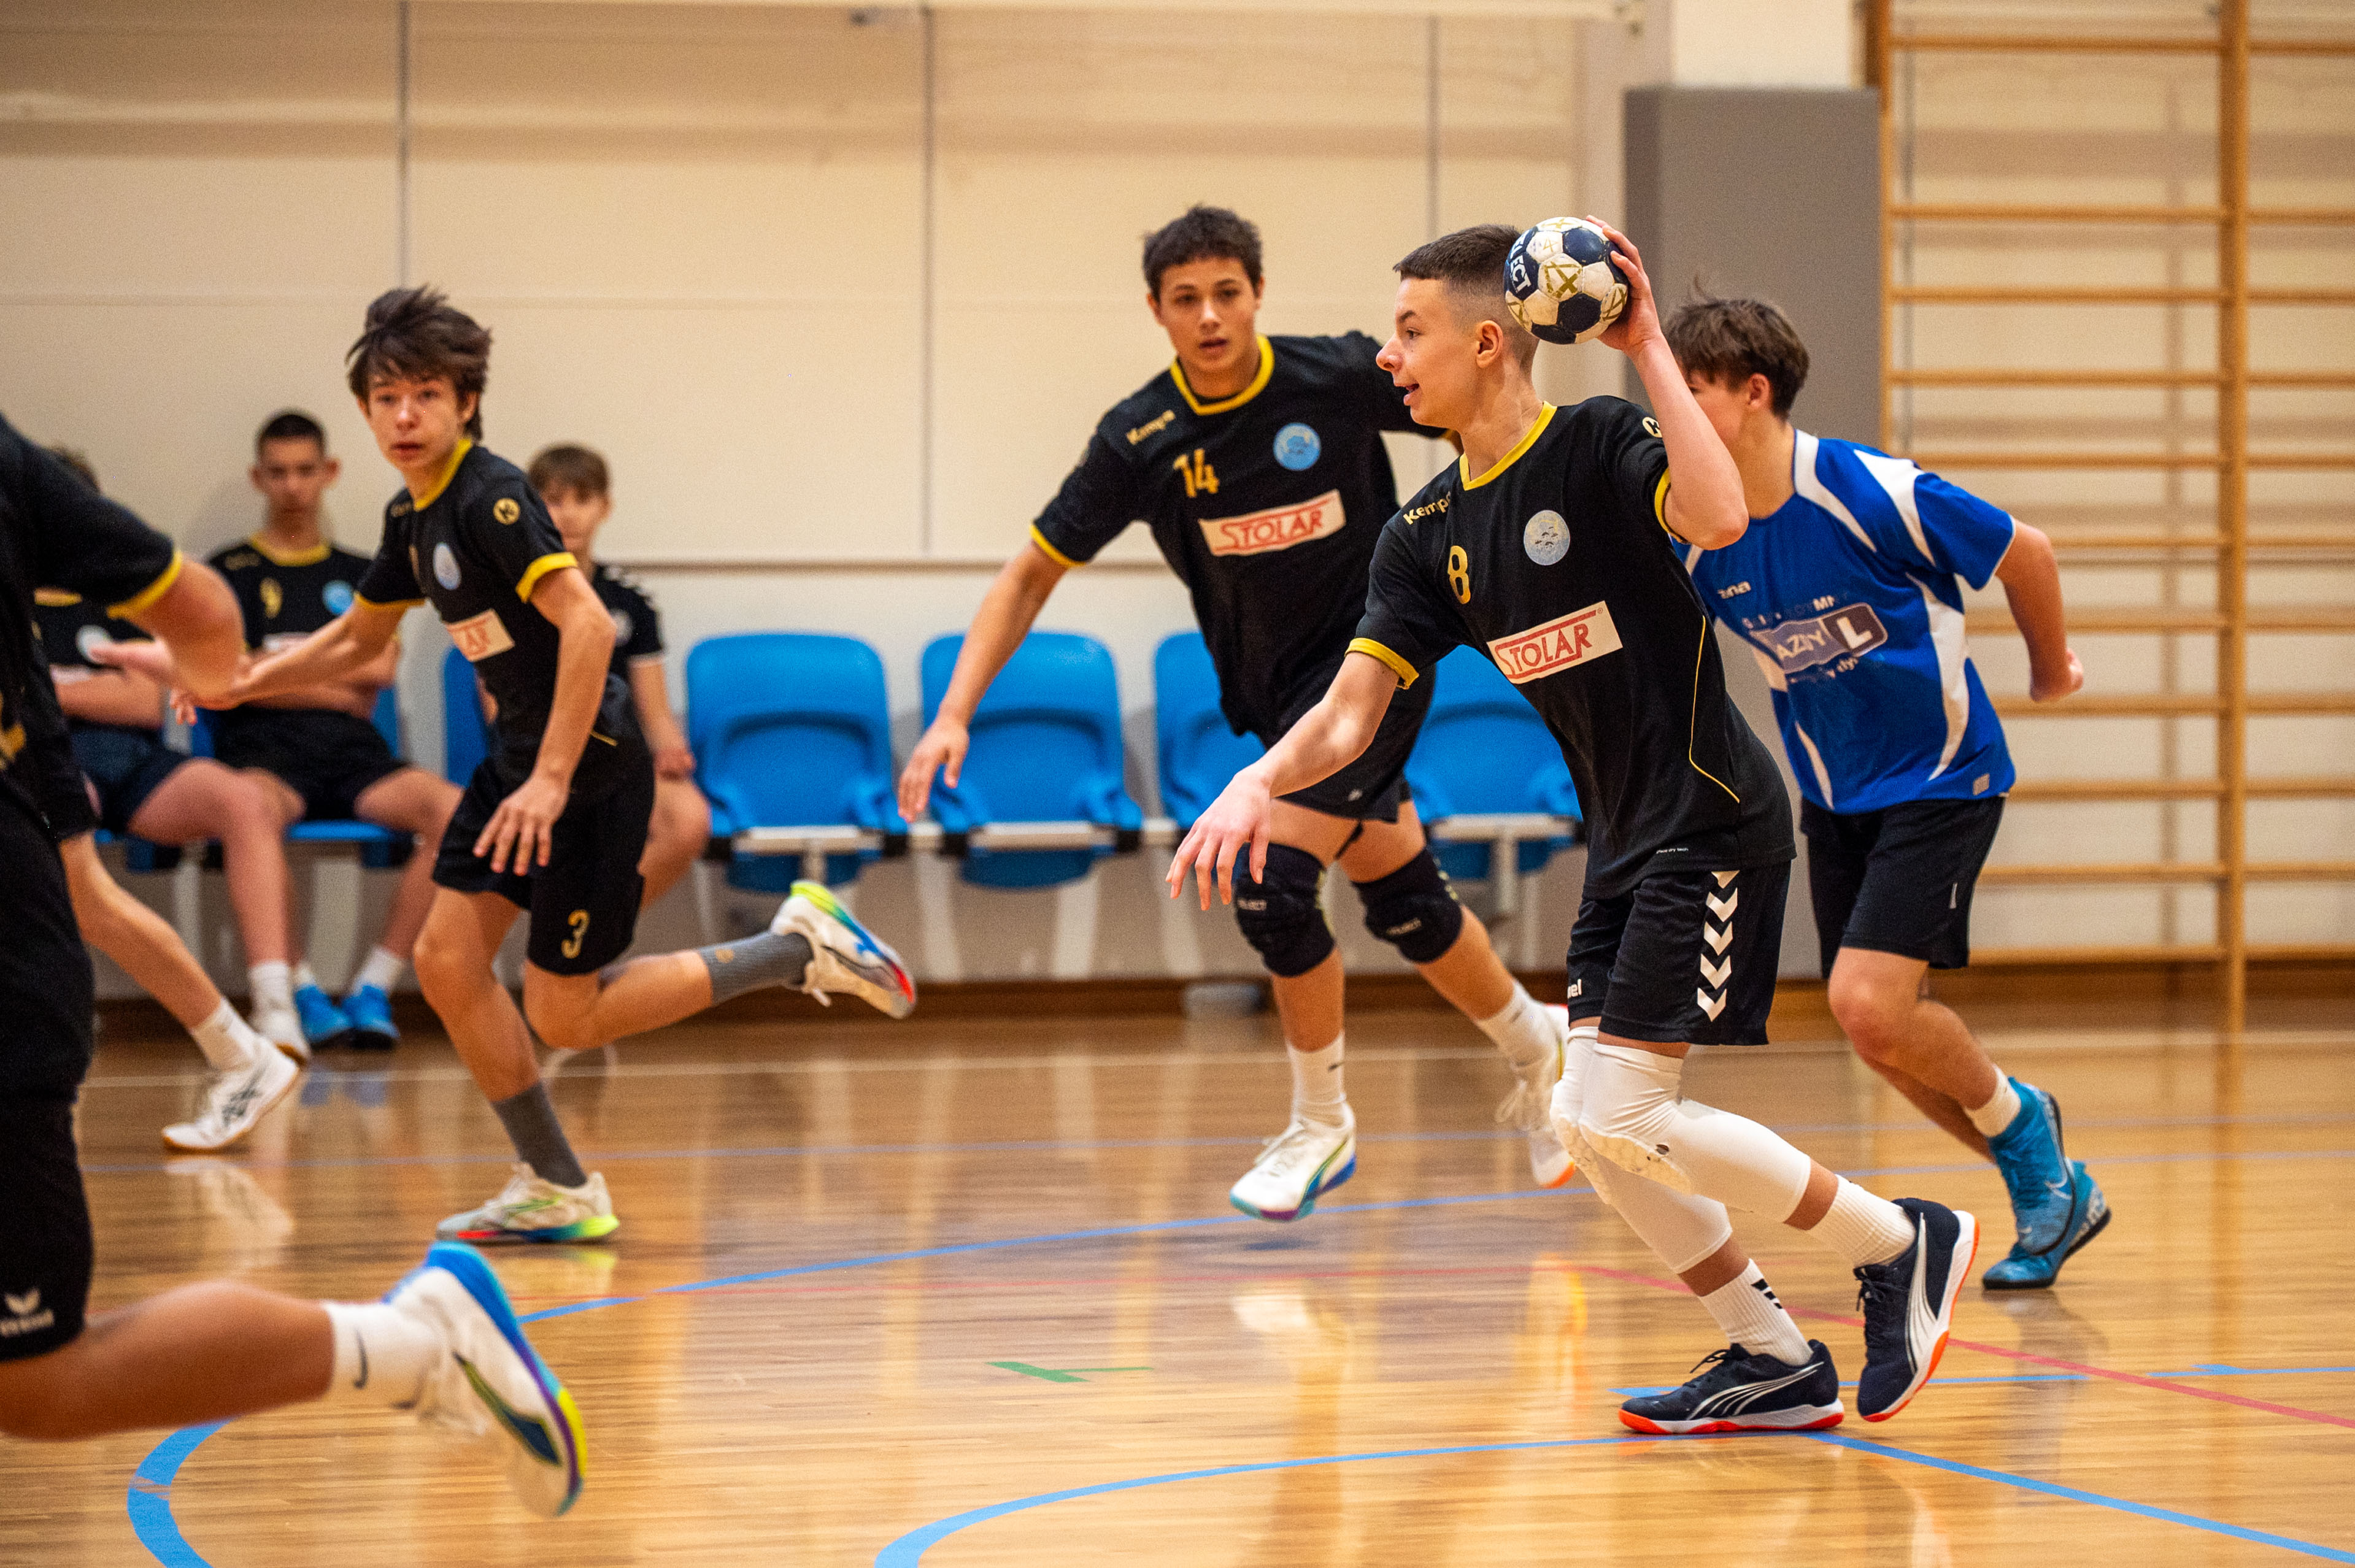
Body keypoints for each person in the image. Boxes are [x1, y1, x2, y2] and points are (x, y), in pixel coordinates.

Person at [1170, 221, 1979, 1433]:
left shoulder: (1598, 444)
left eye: (1408, 332)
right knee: (1586, 1128)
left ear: (1486, 342)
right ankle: (1770, 1355)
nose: (1386, 357)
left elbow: (1717, 515)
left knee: (1619, 1113)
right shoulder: (1424, 535)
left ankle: (1898, 1244)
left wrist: (1646, 343)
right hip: (1624, 844)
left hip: (1709, 819)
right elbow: (1345, 716)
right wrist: (1256, 784)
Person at [109, 286, 917, 1244]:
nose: (405, 416)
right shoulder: (413, 515)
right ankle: (554, 1184)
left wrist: (550, 779)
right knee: (449, 964)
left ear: (466, 403)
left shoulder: (492, 498)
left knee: (565, 1016)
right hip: (519, 764)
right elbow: (358, 636)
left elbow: (589, 627)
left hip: (584, 772)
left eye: (425, 395)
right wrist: (240, 682)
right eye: (385, 399)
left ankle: (798, 950)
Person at [900, 205, 1575, 1223]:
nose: (1210, 315)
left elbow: (1481, 404)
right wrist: (954, 712)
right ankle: (1537, 1043)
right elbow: (1029, 573)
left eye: (1227, 293)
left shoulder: (1336, 376)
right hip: (1271, 698)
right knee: (1404, 901)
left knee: (1271, 881)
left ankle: (1320, 1121)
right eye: (1186, 300)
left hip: (1375, 668)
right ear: (1156, 312)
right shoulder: (1139, 437)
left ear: (1257, 294)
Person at [0, 413, 585, 1518]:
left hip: (38, 964)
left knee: (35, 1382)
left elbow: (288, 648)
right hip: (237, 784)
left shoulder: (456, 521)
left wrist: (217, 683)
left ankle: (415, 1318)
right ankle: (265, 1030)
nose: (402, 421)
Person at [1665, 293, 2108, 1290]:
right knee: (1877, 1035)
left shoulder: (1867, 491)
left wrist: (2050, 669)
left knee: (1865, 1004)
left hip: (1940, 777)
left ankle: (2027, 1133)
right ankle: (2050, 1182)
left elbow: (2024, 553)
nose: (1669, 414)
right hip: (1836, 795)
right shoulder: (1698, 534)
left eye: (1688, 392)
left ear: (1752, 393)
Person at [31, 454, 319, 1063]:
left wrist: (48, 688)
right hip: (51, 762)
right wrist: (93, 691)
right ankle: (61, 1001)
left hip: (136, 760)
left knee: (244, 800)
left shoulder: (118, 595)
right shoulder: (14, 602)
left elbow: (142, 703)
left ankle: (276, 1006)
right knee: (55, 813)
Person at [202, 410, 466, 1051]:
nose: (293, 486)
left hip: (353, 755)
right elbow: (224, 676)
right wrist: (330, 674)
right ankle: (303, 991)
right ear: (259, 478)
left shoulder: (362, 570)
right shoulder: (228, 570)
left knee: (456, 812)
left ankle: (376, 986)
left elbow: (379, 670)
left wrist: (267, 670)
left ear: (329, 472)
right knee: (248, 811)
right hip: (264, 755)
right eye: (278, 473)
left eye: (305, 470)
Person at [15, 647, 301, 1154]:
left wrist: (199, 660)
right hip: (31, 742)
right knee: (82, 899)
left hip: (31, 746)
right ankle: (240, 1055)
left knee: (84, 898)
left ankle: (244, 1051)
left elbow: (153, 687)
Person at [527, 442, 711, 904]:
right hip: (539, 755)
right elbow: (497, 708)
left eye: (582, 499)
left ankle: (600, 927)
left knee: (689, 819)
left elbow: (655, 711)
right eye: (553, 500)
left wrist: (670, 749)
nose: (568, 514)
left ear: (604, 508)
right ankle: (577, 933)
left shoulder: (630, 600)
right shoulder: (512, 595)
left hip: (618, 756)